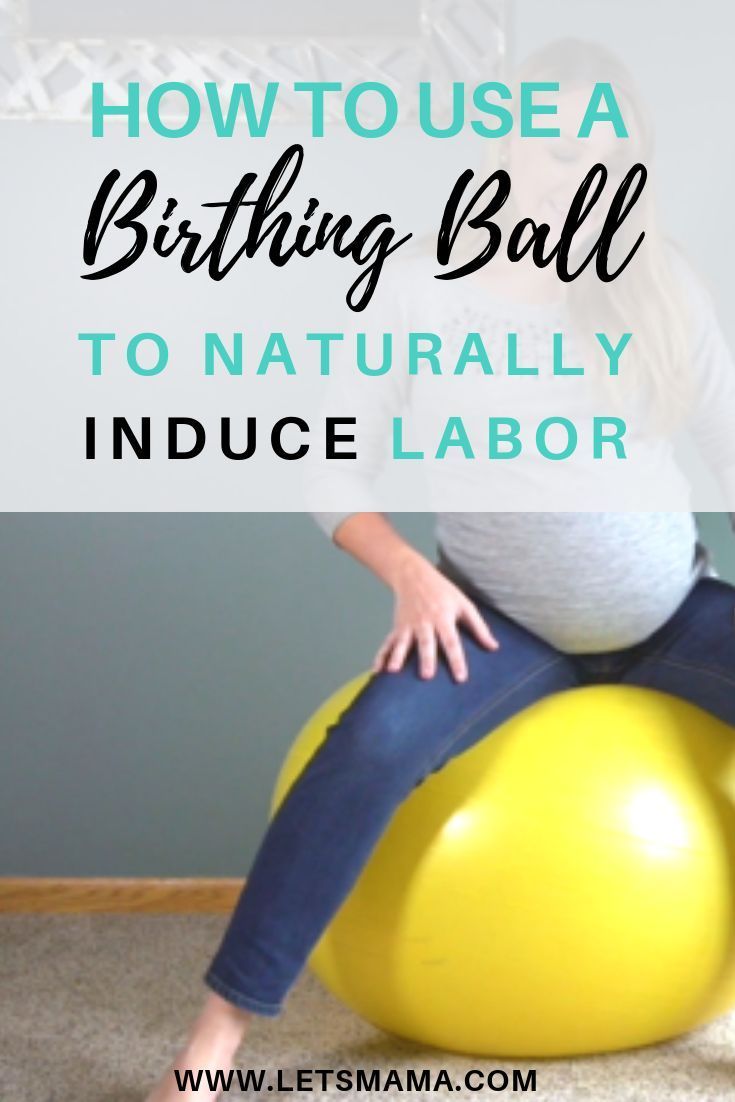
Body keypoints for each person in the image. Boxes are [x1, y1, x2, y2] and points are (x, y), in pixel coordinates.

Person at [144, 40, 735, 1101]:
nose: (579, 174)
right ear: (505, 146)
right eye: (556, 147)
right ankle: (214, 1045)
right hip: (502, 620)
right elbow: (328, 467)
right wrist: (411, 574)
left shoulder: (659, 281)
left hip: (668, 609)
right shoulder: (416, 285)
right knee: (363, 747)